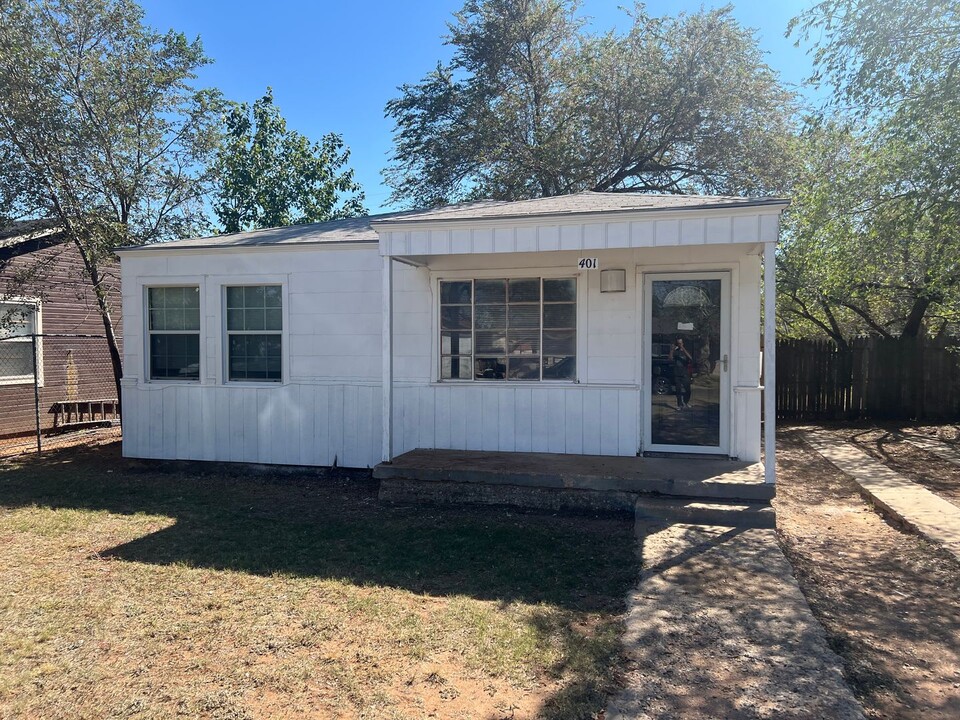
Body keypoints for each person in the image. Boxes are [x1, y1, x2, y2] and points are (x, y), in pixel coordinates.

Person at [672, 337, 692, 410]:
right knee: (678, 390)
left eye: (680, 343)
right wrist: (671, 350)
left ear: (683, 343)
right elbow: (670, 358)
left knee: (688, 390)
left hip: (685, 373)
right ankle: (679, 405)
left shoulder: (686, 351)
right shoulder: (676, 351)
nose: (679, 344)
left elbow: (690, 358)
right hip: (677, 373)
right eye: (678, 343)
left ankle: (685, 402)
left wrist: (683, 348)